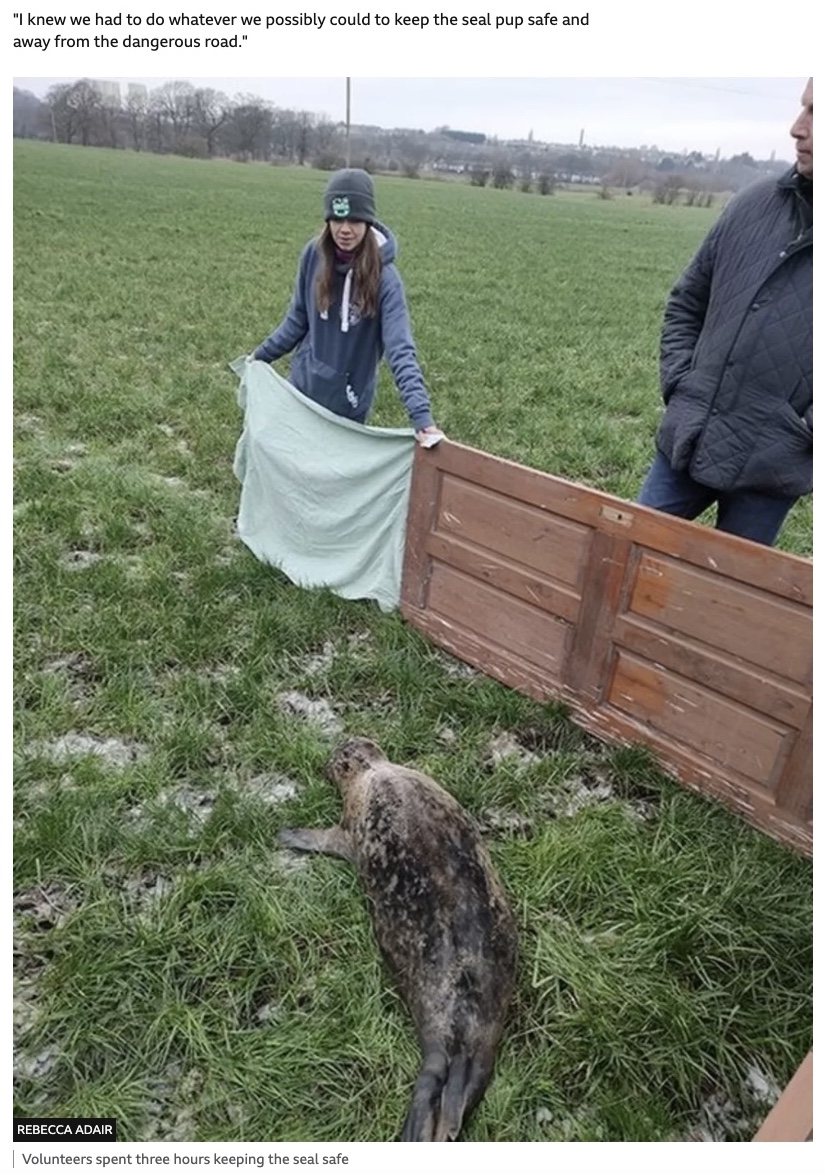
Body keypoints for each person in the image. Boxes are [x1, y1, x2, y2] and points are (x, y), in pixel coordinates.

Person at [637, 78, 812, 546]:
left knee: (729, 602)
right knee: (629, 558)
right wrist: (681, 384)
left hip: (773, 463)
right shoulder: (754, 204)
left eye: (817, 113)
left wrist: (803, 430)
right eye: (802, 109)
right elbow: (686, 302)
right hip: (689, 440)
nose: (797, 128)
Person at [251, 168, 442, 446]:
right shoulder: (312, 256)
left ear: (368, 221)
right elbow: (297, 320)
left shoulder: (387, 282)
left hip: (347, 405)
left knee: (327, 482)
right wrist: (259, 357)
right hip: (302, 388)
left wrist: (422, 418)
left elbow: (400, 349)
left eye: (355, 219)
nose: (345, 229)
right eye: (337, 218)